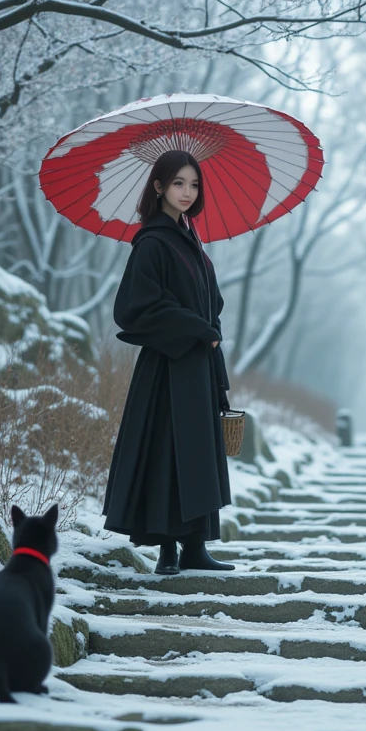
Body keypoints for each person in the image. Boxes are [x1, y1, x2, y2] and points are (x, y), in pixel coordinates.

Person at [102, 150, 235, 575]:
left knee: (196, 452)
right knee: (168, 452)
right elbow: (137, 308)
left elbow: (207, 302)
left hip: (196, 365)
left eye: (193, 184)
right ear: (158, 186)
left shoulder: (190, 239)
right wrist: (197, 327)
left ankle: (195, 546)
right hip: (167, 367)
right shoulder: (153, 242)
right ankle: (167, 551)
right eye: (178, 183)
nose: (187, 192)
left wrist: (207, 323)